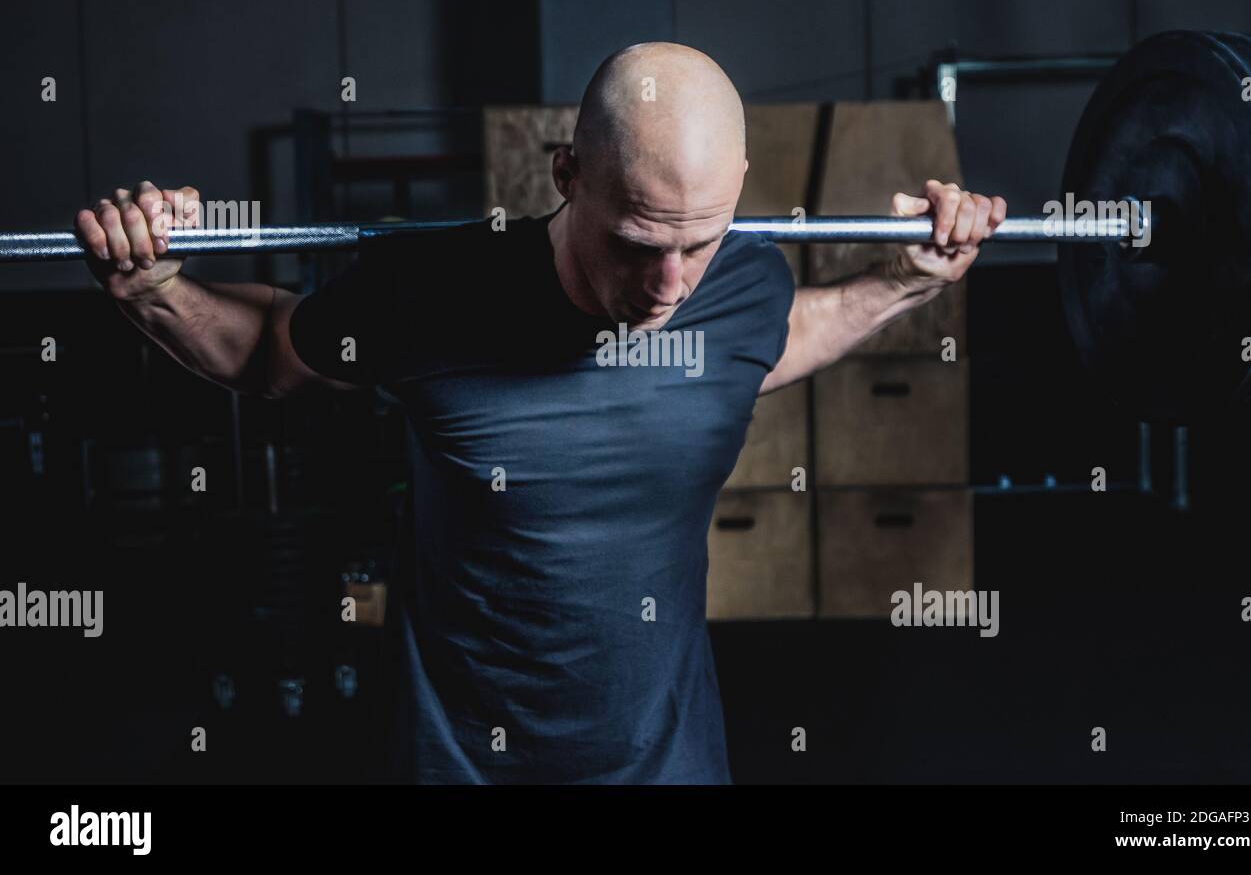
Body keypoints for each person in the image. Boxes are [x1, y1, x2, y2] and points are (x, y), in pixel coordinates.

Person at [73, 42, 1005, 783]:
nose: (668, 287)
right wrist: (153, 286)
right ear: (567, 173)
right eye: (638, 244)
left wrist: (904, 278)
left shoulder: (744, 290)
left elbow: (782, 339)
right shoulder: (428, 292)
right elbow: (268, 353)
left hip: (665, 766)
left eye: (700, 244)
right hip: (457, 764)